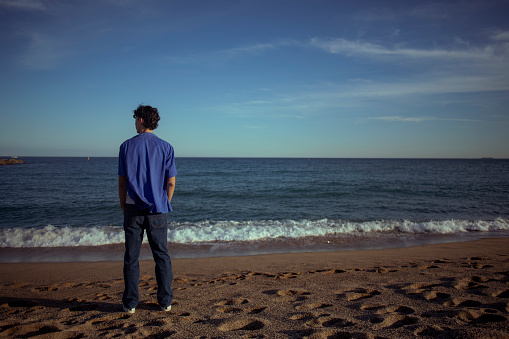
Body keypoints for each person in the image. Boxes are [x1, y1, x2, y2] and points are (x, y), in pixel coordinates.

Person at [118, 104, 177, 314]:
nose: (134, 123)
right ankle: (165, 302)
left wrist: (123, 205)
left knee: (131, 257)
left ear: (141, 120)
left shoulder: (125, 146)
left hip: (133, 209)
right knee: (161, 255)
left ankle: (130, 303)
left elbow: (122, 182)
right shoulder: (166, 147)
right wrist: (164, 202)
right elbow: (171, 182)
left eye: (135, 119)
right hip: (158, 210)